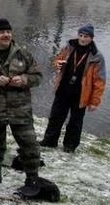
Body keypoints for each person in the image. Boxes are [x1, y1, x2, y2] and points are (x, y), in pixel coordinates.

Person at [0, 18, 42, 189]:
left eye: (8, 32)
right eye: (2, 32)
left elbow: (38, 76)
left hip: (20, 110)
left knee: (29, 144)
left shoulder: (23, 53)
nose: (6, 35)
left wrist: (24, 79)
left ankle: (32, 178)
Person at [40, 24, 106, 153]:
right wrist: (57, 64)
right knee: (55, 117)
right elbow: (57, 60)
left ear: (91, 38)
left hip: (81, 94)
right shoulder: (69, 47)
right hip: (63, 90)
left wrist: (94, 101)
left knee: (75, 122)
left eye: (85, 36)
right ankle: (49, 141)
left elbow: (100, 81)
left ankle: (70, 146)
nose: (82, 39)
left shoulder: (97, 56)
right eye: (80, 35)